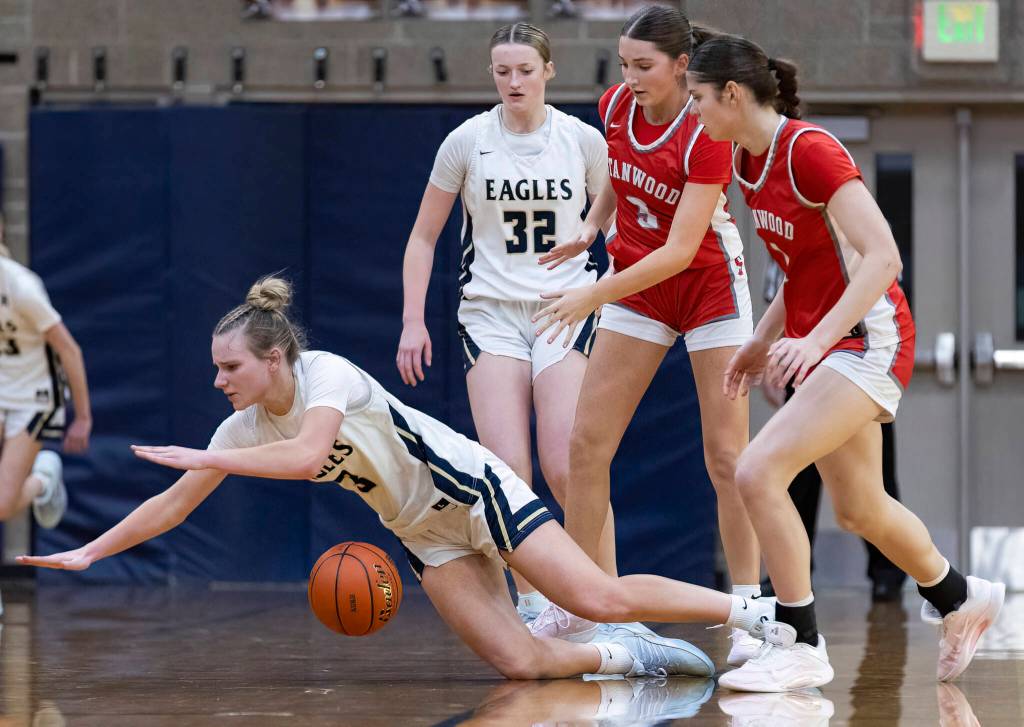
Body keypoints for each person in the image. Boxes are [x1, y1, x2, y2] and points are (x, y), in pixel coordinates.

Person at [18, 276, 775, 681]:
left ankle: (757, 615)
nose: (219, 380)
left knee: (596, 594)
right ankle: (622, 656)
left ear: (274, 358)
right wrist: (91, 550)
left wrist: (212, 457)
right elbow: (171, 505)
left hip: (471, 491)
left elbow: (311, 456)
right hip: (421, 532)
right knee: (520, 662)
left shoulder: (328, 376)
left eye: (230, 366)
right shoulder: (243, 427)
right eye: (217, 368)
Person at [685, 34, 1004, 691]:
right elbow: (800, 267)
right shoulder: (747, 163)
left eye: (697, 99)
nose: (694, 113)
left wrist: (814, 338)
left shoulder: (811, 151)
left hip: (869, 339)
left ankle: (799, 638)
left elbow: (884, 256)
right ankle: (960, 596)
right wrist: (764, 335)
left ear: (733, 95)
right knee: (859, 507)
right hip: (826, 341)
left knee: (756, 469)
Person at [530, 5, 762, 665]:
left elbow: (683, 250)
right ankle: (578, 601)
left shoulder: (705, 131)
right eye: (624, 63)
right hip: (637, 282)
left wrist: (591, 291)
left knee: (727, 459)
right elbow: (617, 173)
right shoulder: (615, 106)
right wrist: (589, 225)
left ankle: (748, 608)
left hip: (707, 285)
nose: (629, 76)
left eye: (644, 66)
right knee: (585, 446)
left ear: (683, 66)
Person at [397, 22, 617, 623]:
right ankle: (537, 604)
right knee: (507, 472)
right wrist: (413, 320)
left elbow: (615, 225)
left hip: (563, 309)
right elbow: (422, 238)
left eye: (524, 70)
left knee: (568, 465)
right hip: (490, 314)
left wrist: (611, 289)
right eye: (502, 71)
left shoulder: (581, 140)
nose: (513, 81)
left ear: (548, 71)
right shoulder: (467, 141)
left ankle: (609, 599)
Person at [761, 258, 907, 603]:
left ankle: (896, 572)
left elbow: (885, 273)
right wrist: (769, 350)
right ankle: (792, 579)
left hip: (857, 363)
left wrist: (823, 340)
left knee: (871, 487)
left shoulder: (857, 227)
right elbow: (784, 292)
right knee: (794, 476)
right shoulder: (786, 224)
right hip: (804, 362)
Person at [0, 235, 92, 614]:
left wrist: (82, 416)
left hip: (36, 400)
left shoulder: (21, 286)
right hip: (3, 387)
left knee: (3, 506)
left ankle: (44, 479)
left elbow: (70, 349)